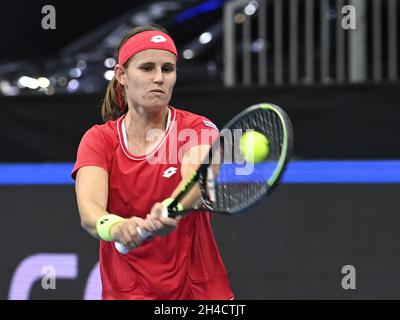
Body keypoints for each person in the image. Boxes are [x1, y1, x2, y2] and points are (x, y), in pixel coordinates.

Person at [71, 25, 234, 300]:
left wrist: (174, 206)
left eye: (167, 69)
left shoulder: (197, 129)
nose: (159, 78)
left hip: (200, 294)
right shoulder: (99, 139)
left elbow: (197, 181)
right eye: (147, 68)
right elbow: (90, 212)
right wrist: (114, 226)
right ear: (121, 75)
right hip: (126, 293)